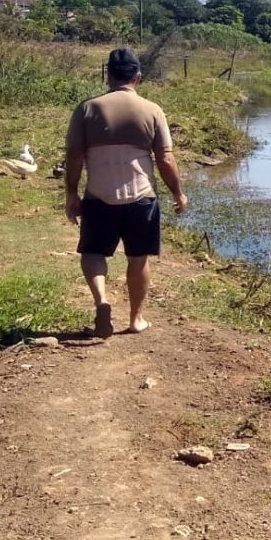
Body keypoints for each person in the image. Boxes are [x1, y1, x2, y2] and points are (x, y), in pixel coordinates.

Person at [63, 47, 189, 337]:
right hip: (141, 198)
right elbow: (166, 159)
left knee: (93, 252)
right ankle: (136, 319)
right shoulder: (152, 110)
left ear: (108, 75)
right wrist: (178, 193)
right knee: (138, 258)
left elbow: (74, 156)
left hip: (99, 196)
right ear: (138, 77)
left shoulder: (87, 109)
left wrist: (72, 194)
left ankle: (102, 300)